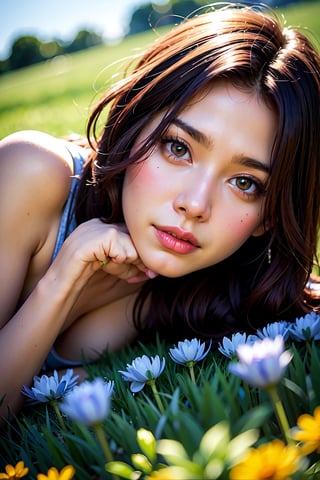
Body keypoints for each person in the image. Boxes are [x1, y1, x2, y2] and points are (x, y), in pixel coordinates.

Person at [0, 3, 319, 422]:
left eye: (245, 183)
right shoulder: (31, 173)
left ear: (269, 216)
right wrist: (60, 282)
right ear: (136, 122)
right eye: (179, 148)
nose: (195, 205)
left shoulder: (203, 282)